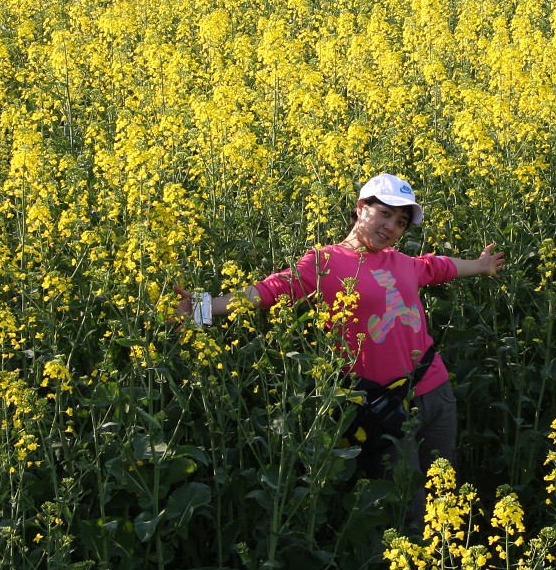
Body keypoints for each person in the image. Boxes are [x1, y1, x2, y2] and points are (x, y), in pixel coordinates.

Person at [177, 173, 504, 509]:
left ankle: (446, 560)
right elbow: (268, 291)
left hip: (436, 390)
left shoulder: (403, 262)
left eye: (402, 222)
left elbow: (439, 267)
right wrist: (203, 307)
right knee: (407, 507)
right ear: (361, 208)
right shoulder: (324, 263)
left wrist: (480, 266)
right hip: (386, 407)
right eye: (385, 213)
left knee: (443, 496)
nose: (392, 227)